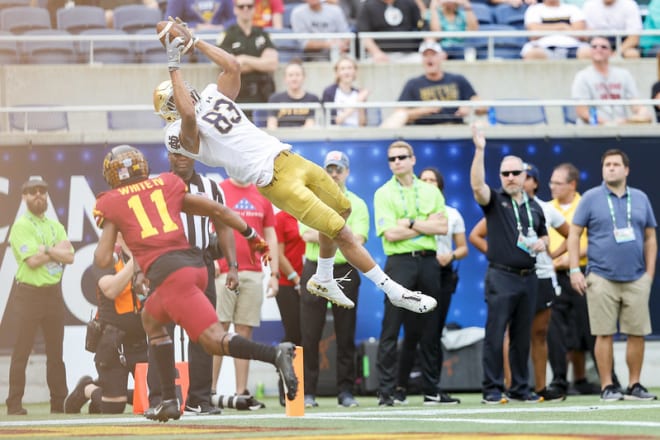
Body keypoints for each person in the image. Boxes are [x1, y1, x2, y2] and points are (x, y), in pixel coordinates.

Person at [154, 19, 437, 316]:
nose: (187, 90)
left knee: (342, 208)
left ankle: (324, 276)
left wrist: (195, 41)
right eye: (180, 90)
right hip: (272, 178)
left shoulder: (212, 95)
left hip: (287, 156)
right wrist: (174, 64)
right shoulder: (174, 134)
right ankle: (393, 290)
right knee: (342, 232)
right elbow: (188, 118)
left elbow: (233, 67)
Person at [93, 144, 298, 422]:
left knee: (213, 341)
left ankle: (275, 354)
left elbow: (103, 256)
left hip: (171, 276)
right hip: (195, 266)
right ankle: (167, 400)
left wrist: (112, 224)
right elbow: (217, 210)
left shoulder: (111, 201)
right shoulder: (167, 184)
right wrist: (251, 235)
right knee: (151, 319)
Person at [469, 163, 568, 402]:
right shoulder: (495, 199)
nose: (510, 177)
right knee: (495, 334)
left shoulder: (535, 206)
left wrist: (544, 244)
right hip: (501, 275)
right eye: (505, 173)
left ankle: (520, 389)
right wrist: (480, 151)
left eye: (515, 173)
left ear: (526, 177)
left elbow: (544, 233)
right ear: (500, 176)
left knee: (522, 336)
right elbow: (476, 186)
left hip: (529, 276)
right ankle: (492, 389)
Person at [568, 149, 657, 402]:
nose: (611, 168)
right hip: (601, 276)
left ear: (626, 170)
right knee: (603, 332)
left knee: (637, 333)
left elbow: (650, 237)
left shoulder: (640, 198)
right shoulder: (591, 198)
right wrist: (575, 269)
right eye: (607, 164)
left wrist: (649, 274)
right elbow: (574, 234)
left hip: (636, 276)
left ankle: (634, 384)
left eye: (616, 164)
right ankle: (607, 385)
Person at [145, 152, 226, 415]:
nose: (182, 158)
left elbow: (223, 225)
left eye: (187, 152)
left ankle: (199, 399)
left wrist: (231, 266)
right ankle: (159, 397)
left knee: (205, 334)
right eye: (176, 152)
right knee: (161, 332)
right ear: (168, 154)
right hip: (166, 262)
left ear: (196, 154)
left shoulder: (211, 187)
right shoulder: (154, 186)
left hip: (200, 260)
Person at [373, 141, 448, 407]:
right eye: (392, 158)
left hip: (428, 262)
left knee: (431, 328)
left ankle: (431, 389)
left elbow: (442, 227)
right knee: (391, 328)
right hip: (399, 262)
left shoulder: (430, 190)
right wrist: (425, 226)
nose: (397, 162)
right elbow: (391, 234)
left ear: (413, 159)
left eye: (402, 157)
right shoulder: (383, 193)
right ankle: (386, 391)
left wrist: (413, 224)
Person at [393, 166, 467, 406]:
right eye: (422, 180)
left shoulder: (452, 214)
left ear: (439, 186)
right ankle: (400, 387)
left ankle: (432, 388)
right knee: (411, 332)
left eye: (431, 180)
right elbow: (396, 231)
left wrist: (451, 256)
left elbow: (462, 246)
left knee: (433, 333)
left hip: (441, 273)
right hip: (415, 269)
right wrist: (420, 223)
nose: (426, 183)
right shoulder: (413, 210)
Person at [300, 150, 367, 409]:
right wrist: (342, 236)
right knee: (310, 334)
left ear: (347, 172)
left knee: (346, 334)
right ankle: (308, 393)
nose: (334, 174)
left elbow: (359, 240)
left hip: (344, 271)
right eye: (329, 169)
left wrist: (328, 234)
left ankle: (346, 392)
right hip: (315, 267)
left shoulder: (357, 204)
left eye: (339, 169)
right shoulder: (310, 199)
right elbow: (307, 235)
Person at [6, 178, 74, 416]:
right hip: (29, 294)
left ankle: (59, 403)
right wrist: (54, 251)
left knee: (56, 353)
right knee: (22, 351)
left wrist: (44, 249)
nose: (38, 195)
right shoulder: (22, 226)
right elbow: (32, 261)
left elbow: (70, 257)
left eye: (42, 191)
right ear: (24, 196)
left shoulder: (54, 225)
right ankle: (14, 404)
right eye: (33, 191)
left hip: (53, 294)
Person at [211, 177, 279, 410]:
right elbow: (208, 229)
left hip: (252, 272)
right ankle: (207, 392)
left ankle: (241, 393)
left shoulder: (262, 194)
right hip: (223, 271)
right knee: (216, 331)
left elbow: (269, 236)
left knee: (244, 332)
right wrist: (213, 263)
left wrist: (274, 273)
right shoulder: (219, 190)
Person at [64, 234, 148, 415]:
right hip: (113, 342)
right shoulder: (105, 256)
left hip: (141, 340)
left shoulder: (147, 252)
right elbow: (110, 289)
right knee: (114, 408)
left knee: (155, 400)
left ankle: (109, 390)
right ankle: (86, 388)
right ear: (117, 232)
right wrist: (135, 262)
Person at [547, 162, 602, 396]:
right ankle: (559, 380)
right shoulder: (547, 208)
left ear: (572, 184)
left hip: (580, 273)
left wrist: (567, 261)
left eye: (558, 183)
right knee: (555, 331)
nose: (552, 187)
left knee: (591, 329)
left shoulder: (587, 204)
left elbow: (592, 242)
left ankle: (607, 379)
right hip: (554, 277)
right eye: (551, 183)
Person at [380, 40, 485, 128]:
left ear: (442, 57)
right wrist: (423, 110)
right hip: (424, 130)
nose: (429, 58)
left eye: (433, 54)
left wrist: (469, 107)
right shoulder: (413, 83)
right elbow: (399, 113)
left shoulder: (458, 79)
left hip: (455, 127)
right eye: (425, 55)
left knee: (482, 124)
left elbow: (481, 107)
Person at [218, 0, 279, 120]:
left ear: (254, 9)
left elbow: (272, 64)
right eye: (241, 6)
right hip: (237, 96)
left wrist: (244, 59)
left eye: (249, 6)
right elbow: (228, 66)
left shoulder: (262, 34)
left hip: (262, 95)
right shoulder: (228, 35)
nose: (245, 9)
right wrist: (260, 62)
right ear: (235, 9)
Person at [571, 36, 652, 125]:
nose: (598, 49)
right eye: (594, 47)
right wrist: (607, 123)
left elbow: (635, 103)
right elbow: (582, 111)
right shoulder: (582, 76)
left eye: (603, 47)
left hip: (620, 129)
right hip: (592, 131)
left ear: (611, 52)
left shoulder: (624, 74)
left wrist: (642, 112)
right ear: (590, 51)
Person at [273, 208, 305, 406]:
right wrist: (295, 278)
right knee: (293, 334)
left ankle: (304, 389)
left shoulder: (311, 213)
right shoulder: (281, 218)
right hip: (288, 284)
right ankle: (285, 386)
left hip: (311, 282)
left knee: (307, 335)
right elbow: (277, 252)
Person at [356, 0, 424, 63]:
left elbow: (422, 26)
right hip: (381, 54)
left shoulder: (409, 3)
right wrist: (376, 53)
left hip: (409, 53)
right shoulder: (367, 6)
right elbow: (364, 34)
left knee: (422, 60)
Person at [520, 0, 590, 60]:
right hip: (543, 48)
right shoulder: (534, 9)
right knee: (532, 54)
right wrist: (563, 27)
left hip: (573, 47)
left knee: (588, 52)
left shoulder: (573, 9)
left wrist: (544, 28)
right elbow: (534, 33)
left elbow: (579, 33)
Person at [266, 60, 321, 129]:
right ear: (285, 78)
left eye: (297, 75)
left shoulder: (313, 99)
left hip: (304, 137)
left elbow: (310, 125)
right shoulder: (275, 98)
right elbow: (271, 125)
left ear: (304, 77)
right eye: (290, 75)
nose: (294, 78)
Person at [321, 55, 369, 127]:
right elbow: (333, 122)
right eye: (342, 69)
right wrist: (358, 102)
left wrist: (361, 104)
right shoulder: (329, 92)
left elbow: (362, 124)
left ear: (355, 71)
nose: (346, 72)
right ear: (337, 72)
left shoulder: (358, 93)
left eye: (349, 68)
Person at [165, 0, 236, 31]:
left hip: (218, 37)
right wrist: (195, 26)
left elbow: (236, 19)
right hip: (190, 40)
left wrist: (222, 27)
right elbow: (169, 22)